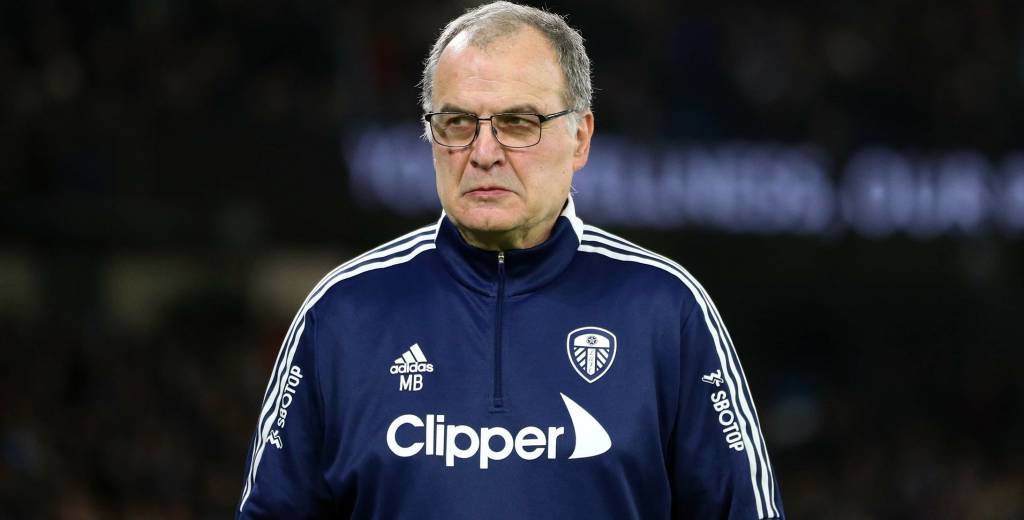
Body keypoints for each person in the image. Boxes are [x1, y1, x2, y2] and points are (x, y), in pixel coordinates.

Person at [236, 2, 784, 518]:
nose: (483, 152)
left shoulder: (666, 310)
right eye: (456, 123)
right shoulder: (343, 312)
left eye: (518, 123)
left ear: (580, 138)